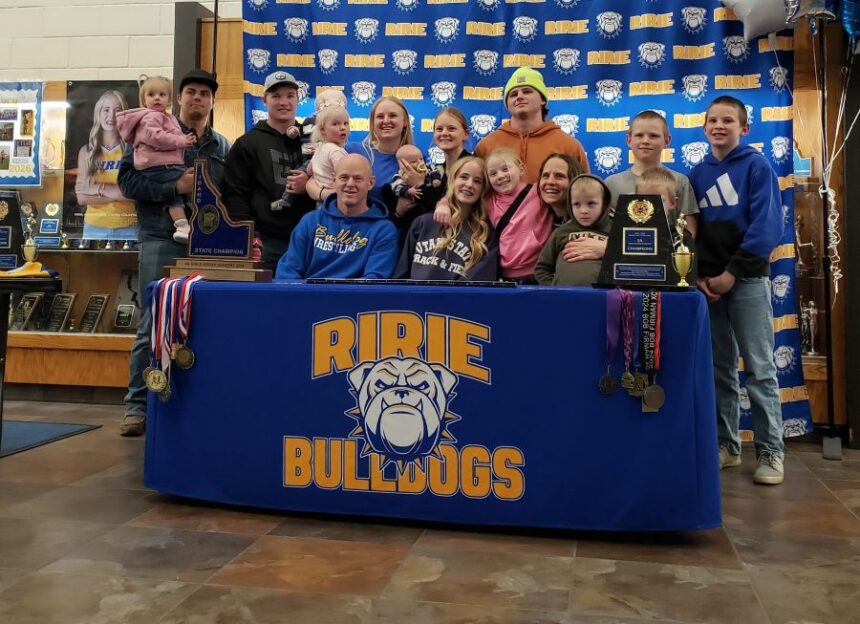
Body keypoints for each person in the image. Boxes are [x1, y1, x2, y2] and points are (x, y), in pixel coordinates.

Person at [117, 69, 230, 437]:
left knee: (202, 323)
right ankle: (137, 406)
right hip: (161, 237)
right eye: (190, 92)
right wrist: (174, 184)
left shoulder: (223, 147)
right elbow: (128, 182)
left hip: (210, 244)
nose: (197, 98)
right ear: (178, 98)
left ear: (212, 102)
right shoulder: (151, 130)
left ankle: (194, 403)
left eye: (204, 94)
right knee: (153, 321)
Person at [688, 95, 785, 485]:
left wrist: (732, 273)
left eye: (728, 120)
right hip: (707, 286)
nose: (719, 126)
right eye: (713, 120)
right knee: (719, 370)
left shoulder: (757, 167)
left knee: (759, 369)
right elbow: (689, 232)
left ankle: (771, 451)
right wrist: (697, 275)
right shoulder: (696, 174)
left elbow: (767, 228)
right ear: (704, 127)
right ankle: (727, 446)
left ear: (744, 128)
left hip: (744, 281)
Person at [221, 70, 315, 270]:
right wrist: (248, 238)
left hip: (309, 241)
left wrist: (308, 185)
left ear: (298, 99)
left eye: (290, 96)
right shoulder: (247, 143)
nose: (284, 102)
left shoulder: (312, 140)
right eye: (276, 96)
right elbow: (235, 195)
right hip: (265, 243)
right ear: (265, 100)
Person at [275, 154, 398, 279]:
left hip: (354, 298)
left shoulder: (384, 231)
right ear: (334, 180)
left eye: (357, 179)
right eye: (344, 177)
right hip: (308, 296)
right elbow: (288, 270)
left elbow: (374, 281)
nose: (350, 184)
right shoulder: (310, 221)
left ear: (371, 183)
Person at [116, 75, 196, 243]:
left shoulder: (169, 119)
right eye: (151, 95)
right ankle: (182, 225)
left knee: (187, 183)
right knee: (181, 186)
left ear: (170, 99)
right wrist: (176, 186)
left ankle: (185, 223)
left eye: (162, 94)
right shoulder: (150, 118)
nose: (157, 98)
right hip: (157, 237)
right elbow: (157, 137)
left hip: (197, 244)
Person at [474, 67, 588, 183]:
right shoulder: (486, 146)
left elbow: (583, 191)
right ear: (507, 104)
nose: (519, 96)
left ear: (542, 100)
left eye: (527, 91)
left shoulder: (569, 146)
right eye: (513, 94)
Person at [396, 156, 498, 281]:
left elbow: (478, 285)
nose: (469, 184)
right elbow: (401, 274)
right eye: (464, 177)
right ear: (452, 180)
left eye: (478, 181)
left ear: (484, 189)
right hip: (416, 299)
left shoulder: (485, 233)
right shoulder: (423, 223)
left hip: (458, 300)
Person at [604, 110, 699, 236]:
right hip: (622, 255)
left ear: (667, 140)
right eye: (639, 135)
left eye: (653, 136)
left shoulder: (680, 181)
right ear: (629, 140)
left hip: (668, 254)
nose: (645, 141)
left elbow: (689, 230)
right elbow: (604, 229)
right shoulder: (611, 183)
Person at [75, 90, 138, 240]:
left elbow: (136, 194)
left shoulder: (134, 149)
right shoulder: (86, 151)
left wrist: (96, 188)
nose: (111, 116)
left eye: (117, 110)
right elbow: (82, 197)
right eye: (106, 110)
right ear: (98, 113)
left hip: (128, 227)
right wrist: (117, 194)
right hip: (94, 228)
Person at [535, 174, 612, 286]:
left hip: (603, 298)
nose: (584, 210)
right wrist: (554, 289)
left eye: (591, 204)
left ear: (604, 204)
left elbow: (628, 265)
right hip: (564, 298)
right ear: (570, 206)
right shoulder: (561, 232)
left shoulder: (616, 231)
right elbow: (542, 268)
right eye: (577, 204)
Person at [345, 96, 414, 216]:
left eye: (392, 115)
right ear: (372, 123)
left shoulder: (414, 159)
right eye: (380, 116)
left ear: (405, 122)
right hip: (350, 231)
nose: (386, 121)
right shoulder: (351, 151)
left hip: (395, 231)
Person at [304, 103, 350, 205]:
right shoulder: (336, 151)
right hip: (335, 200)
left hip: (320, 200)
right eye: (335, 124)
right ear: (322, 130)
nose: (342, 127)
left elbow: (309, 170)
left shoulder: (319, 149)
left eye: (346, 123)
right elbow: (346, 177)